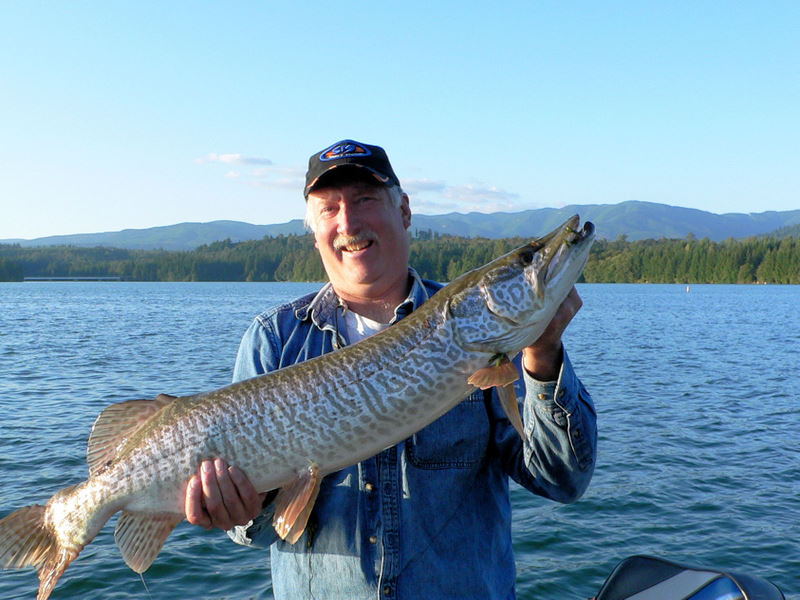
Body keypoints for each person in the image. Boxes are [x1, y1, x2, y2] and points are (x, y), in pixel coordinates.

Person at [184, 139, 598, 599]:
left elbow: (562, 479)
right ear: (314, 229)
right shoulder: (274, 339)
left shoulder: (485, 337)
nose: (348, 222)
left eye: (365, 200)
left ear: (404, 211)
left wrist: (544, 356)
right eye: (329, 208)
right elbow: (257, 532)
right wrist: (243, 508)